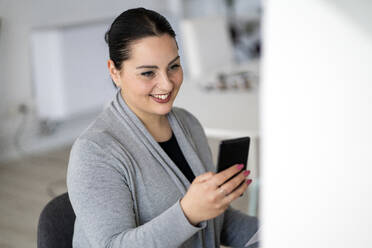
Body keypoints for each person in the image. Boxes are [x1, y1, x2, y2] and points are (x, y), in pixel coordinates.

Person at [67, 7, 259, 248]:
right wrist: (188, 213)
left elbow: (215, 222)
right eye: (148, 73)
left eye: (174, 67)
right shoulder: (94, 152)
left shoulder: (189, 125)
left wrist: (275, 233)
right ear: (114, 72)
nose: (167, 84)